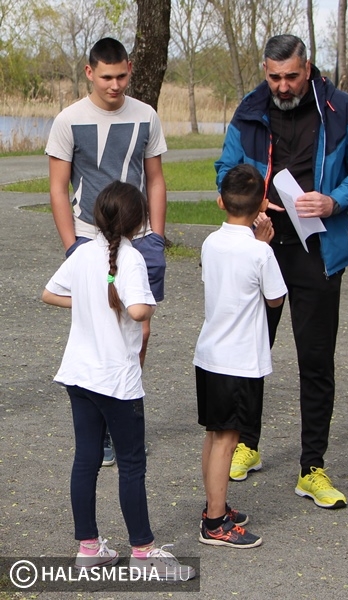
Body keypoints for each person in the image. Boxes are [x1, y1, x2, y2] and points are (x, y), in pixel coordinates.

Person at [216, 34, 348, 507]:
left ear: (308, 68)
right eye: (275, 77)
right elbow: (225, 168)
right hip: (260, 244)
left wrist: (334, 201)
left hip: (318, 249)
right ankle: (247, 444)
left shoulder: (343, 109)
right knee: (250, 352)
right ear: (265, 72)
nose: (283, 86)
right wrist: (246, 203)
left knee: (316, 360)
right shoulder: (250, 109)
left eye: (291, 76)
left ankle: (312, 468)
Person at [42, 181, 195, 579]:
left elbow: (49, 293)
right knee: (131, 465)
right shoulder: (131, 258)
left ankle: (88, 548)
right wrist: (138, 305)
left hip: (79, 374)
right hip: (116, 381)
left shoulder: (82, 253)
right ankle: (143, 552)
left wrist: (90, 301)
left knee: (86, 460)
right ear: (139, 221)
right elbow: (140, 310)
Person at [45, 37, 167, 466]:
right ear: (90, 73)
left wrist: (156, 236)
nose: (115, 85)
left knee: (140, 330)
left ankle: (123, 417)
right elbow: (58, 188)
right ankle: (99, 427)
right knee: (99, 332)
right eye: (106, 77)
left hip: (139, 238)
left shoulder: (146, 115)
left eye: (121, 76)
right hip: (89, 237)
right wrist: (72, 246)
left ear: (130, 69)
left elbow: (155, 179)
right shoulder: (68, 120)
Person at [194, 164, 287, 548]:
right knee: (228, 440)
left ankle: (213, 506)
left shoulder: (210, 242)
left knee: (214, 434)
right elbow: (275, 298)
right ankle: (216, 523)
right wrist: (263, 245)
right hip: (239, 361)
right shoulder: (260, 252)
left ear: (221, 201)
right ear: (263, 204)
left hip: (209, 354)